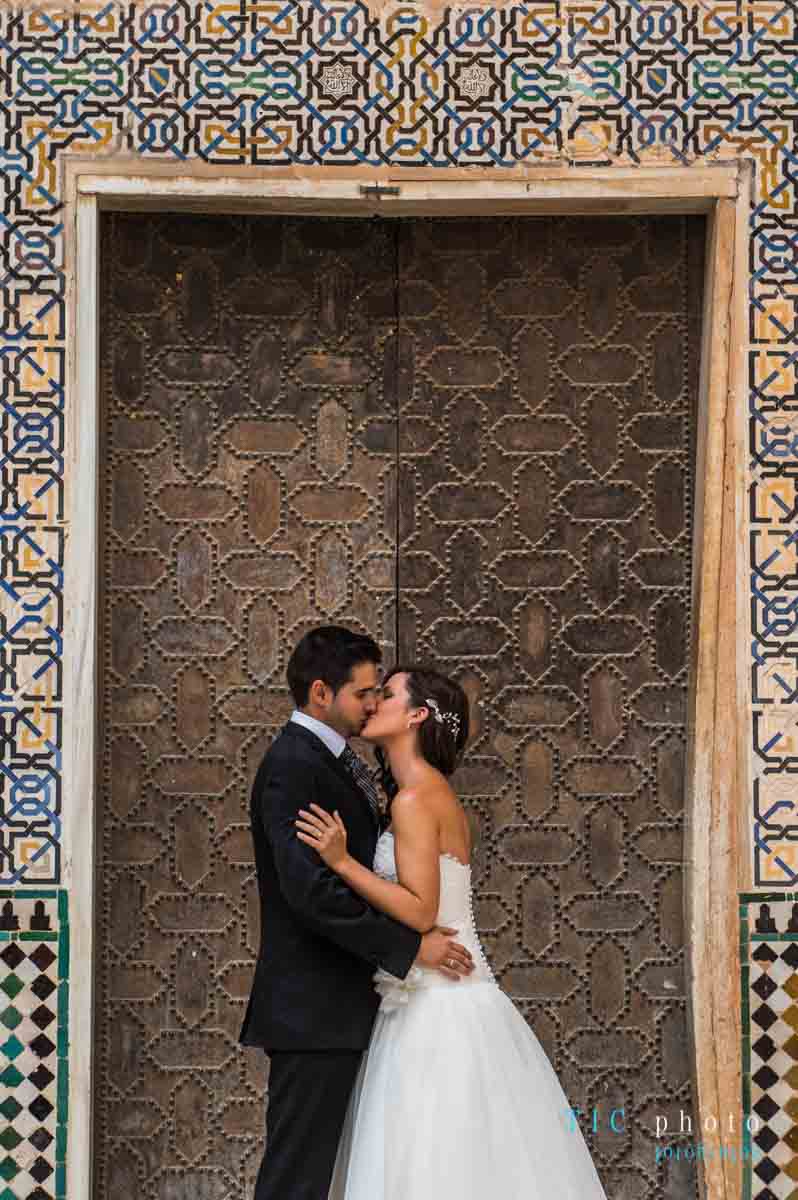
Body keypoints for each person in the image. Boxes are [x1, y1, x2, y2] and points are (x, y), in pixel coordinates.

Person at [295, 664, 611, 1200]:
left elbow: (421, 913)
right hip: (443, 994)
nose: (374, 703)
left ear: (417, 715)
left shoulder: (416, 800)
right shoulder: (429, 794)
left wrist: (343, 862)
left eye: (388, 695)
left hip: (436, 1009)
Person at [238, 627, 476, 1200]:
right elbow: (311, 893)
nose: (372, 703)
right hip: (314, 1009)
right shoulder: (294, 766)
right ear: (322, 694)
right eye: (365, 692)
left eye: (381, 693)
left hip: (358, 1008)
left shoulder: (346, 762)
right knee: (298, 1177)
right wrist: (411, 948)